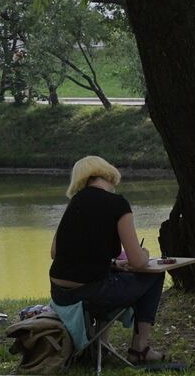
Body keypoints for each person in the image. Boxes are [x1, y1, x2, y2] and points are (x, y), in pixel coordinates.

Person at [49, 156, 168, 366]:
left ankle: (98, 345)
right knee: (155, 275)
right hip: (93, 293)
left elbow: (55, 252)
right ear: (108, 174)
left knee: (112, 276)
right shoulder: (118, 204)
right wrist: (145, 253)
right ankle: (140, 349)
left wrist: (113, 264)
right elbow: (138, 262)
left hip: (59, 293)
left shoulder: (74, 203)